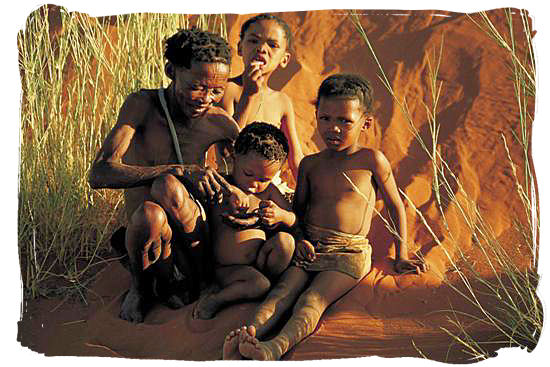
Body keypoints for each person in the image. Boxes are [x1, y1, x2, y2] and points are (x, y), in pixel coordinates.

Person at [222, 74, 427, 360]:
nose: (333, 128)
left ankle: (274, 347)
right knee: (281, 292)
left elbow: (396, 205)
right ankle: (249, 334)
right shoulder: (310, 165)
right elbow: (300, 213)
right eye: (326, 118)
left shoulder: (371, 160)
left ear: (365, 123)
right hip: (310, 247)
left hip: (348, 253)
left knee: (311, 300)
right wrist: (301, 237)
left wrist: (401, 253)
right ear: (316, 115)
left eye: (345, 121)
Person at [88, 28, 240, 323]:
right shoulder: (142, 105)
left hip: (192, 239)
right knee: (153, 207)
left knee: (169, 188)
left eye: (216, 91)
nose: (205, 98)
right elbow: (99, 173)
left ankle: (203, 282)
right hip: (147, 231)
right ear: (171, 70)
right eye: (196, 86)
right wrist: (176, 170)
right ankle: (140, 287)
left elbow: (246, 174)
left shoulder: (220, 123)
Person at [192, 122, 296, 320]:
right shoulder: (222, 185)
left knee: (286, 242)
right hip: (228, 269)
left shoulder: (270, 192)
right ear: (234, 156)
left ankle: (271, 287)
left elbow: (293, 219)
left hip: (261, 262)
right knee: (259, 285)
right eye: (248, 174)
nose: (255, 184)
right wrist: (227, 193)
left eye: (265, 179)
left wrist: (280, 216)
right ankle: (217, 299)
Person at [220, 13, 304, 182]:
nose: (262, 49)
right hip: (232, 182)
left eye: (272, 45)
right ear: (240, 47)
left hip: (268, 185)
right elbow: (226, 151)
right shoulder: (227, 89)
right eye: (253, 41)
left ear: (284, 59)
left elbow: (295, 159)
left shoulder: (282, 102)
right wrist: (248, 96)